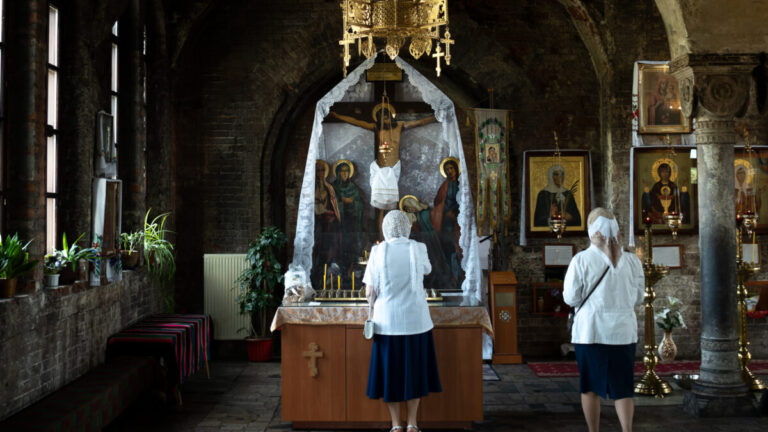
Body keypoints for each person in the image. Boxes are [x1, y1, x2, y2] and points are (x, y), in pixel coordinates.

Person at [563, 208, 645, 432]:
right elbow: (639, 298)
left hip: (591, 333)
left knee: (590, 387)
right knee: (623, 388)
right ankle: (627, 430)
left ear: (592, 231)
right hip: (623, 333)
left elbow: (570, 298)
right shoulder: (632, 261)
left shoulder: (581, 260)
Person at [364, 210, 441, 432]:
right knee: (414, 374)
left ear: (385, 228)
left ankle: (396, 425)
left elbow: (369, 292)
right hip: (416, 322)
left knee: (391, 376)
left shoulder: (378, 251)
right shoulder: (418, 248)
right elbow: (427, 269)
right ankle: (413, 424)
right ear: (407, 227)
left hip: (387, 323)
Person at [329, 105, 435, 211]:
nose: (385, 121)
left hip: (394, 168)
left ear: (391, 117)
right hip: (380, 169)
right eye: (382, 119)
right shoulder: (377, 127)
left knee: (391, 203)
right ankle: (380, 222)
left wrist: (436, 117)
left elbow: (419, 122)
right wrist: (337, 116)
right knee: (380, 205)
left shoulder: (400, 125)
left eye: (387, 118)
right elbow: (356, 122)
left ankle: (391, 220)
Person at [331, 161, 363, 276]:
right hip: (338, 221)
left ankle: (351, 267)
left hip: (351, 221)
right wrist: (343, 201)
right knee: (339, 244)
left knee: (351, 244)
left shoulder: (353, 187)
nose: (344, 173)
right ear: (337, 173)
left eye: (346, 171)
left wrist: (353, 203)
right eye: (342, 171)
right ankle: (340, 268)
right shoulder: (333, 187)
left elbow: (359, 203)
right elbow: (332, 202)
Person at [433, 159, 462, 279]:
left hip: (457, 216)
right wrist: (443, 210)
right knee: (445, 243)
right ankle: (448, 272)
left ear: (456, 169)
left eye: (451, 168)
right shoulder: (445, 185)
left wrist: (455, 211)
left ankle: (457, 273)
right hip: (445, 217)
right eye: (447, 169)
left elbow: (464, 201)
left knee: (455, 244)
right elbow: (437, 201)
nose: (449, 171)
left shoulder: (461, 184)